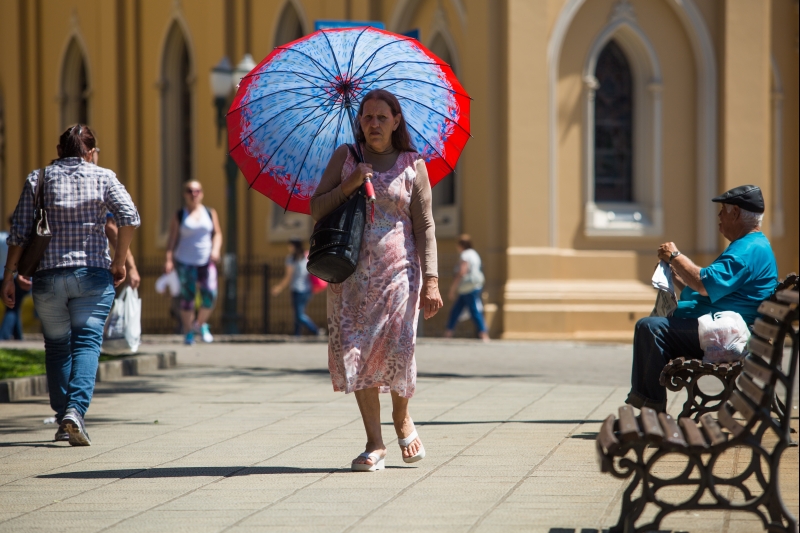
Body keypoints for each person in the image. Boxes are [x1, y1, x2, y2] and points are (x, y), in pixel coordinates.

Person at [311, 89, 443, 471]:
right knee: (358, 351)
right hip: (350, 276)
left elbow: (426, 225)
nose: (373, 124)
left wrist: (432, 280)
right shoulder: (346, 157)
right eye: (367, 118)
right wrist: (350, 182)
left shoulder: (412, 164)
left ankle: (402, 419)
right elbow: (316, 207)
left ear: (396, 121)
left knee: (400, 349)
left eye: (382, 118)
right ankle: (375, 443)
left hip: (400, 273)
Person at [1, 124, 140, 445]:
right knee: (87, 344)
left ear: (60, 150)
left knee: (57, 347)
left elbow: (19, 231)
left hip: (48, 278)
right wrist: (119, 262)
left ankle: (65, 413)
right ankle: (74, 412)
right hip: (92, 275)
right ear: (90, 152)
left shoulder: (39, 178)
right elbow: (129, 217)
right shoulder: (104, 176)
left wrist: (8, 276)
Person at [626, 185, 778, 412]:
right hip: (727, 328)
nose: (719, 216)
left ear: (735, 213)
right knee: (652, 327)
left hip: (733, 335)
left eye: (723, 211)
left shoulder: (746, 250)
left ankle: (651, 412)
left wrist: (675, 257)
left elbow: (704, 283)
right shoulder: (750, 245)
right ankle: (650, 408)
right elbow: (712, 288)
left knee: (651, 329)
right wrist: (677, 277)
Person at [164, 180, 222, 345]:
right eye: (190, 191)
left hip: (206, 260)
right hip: (185, 261)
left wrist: (216, 250)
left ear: (202, 194)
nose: (194, 194)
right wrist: (169, 259)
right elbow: (172, 240)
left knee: (210, 293)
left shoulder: (210, 213)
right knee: (188, 298)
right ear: (185, 194)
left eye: (197, 191)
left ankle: (200, 324)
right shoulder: (180, 215)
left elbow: (217, 233)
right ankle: (188, 332)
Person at [93, 146, 141, 290]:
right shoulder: (101, 180)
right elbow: (117, 222)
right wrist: (125, 264)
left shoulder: (48, 176)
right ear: (91, 152)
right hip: (91, 267)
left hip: (52, 270)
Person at [444, 234, 489, 341]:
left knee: (474, 310)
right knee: (457, 310)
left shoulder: (465, 255)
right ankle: (448, 333)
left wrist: (452, 289)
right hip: (475, 285)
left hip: (467, 287)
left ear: (461, 245)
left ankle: (483, 333)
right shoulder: (474, 254)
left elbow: (462, 272)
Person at [271, 239, 320, 336]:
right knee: (298, 313)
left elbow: (288, 277)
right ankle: (297, 334)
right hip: (305, 289)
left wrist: (279, 288)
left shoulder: (292, 259)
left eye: (290, 246)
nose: (289, 248)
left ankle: (315, 330)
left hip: (301, 290)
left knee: (299, 314)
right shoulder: (306, 256)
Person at [0, 217, 31, 340]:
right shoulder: (24, 241)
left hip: (1, 277)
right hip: (16, 278)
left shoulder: (2, 238)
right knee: (12, 308)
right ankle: (4, 336)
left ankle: (18, 336)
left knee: (14, 306)